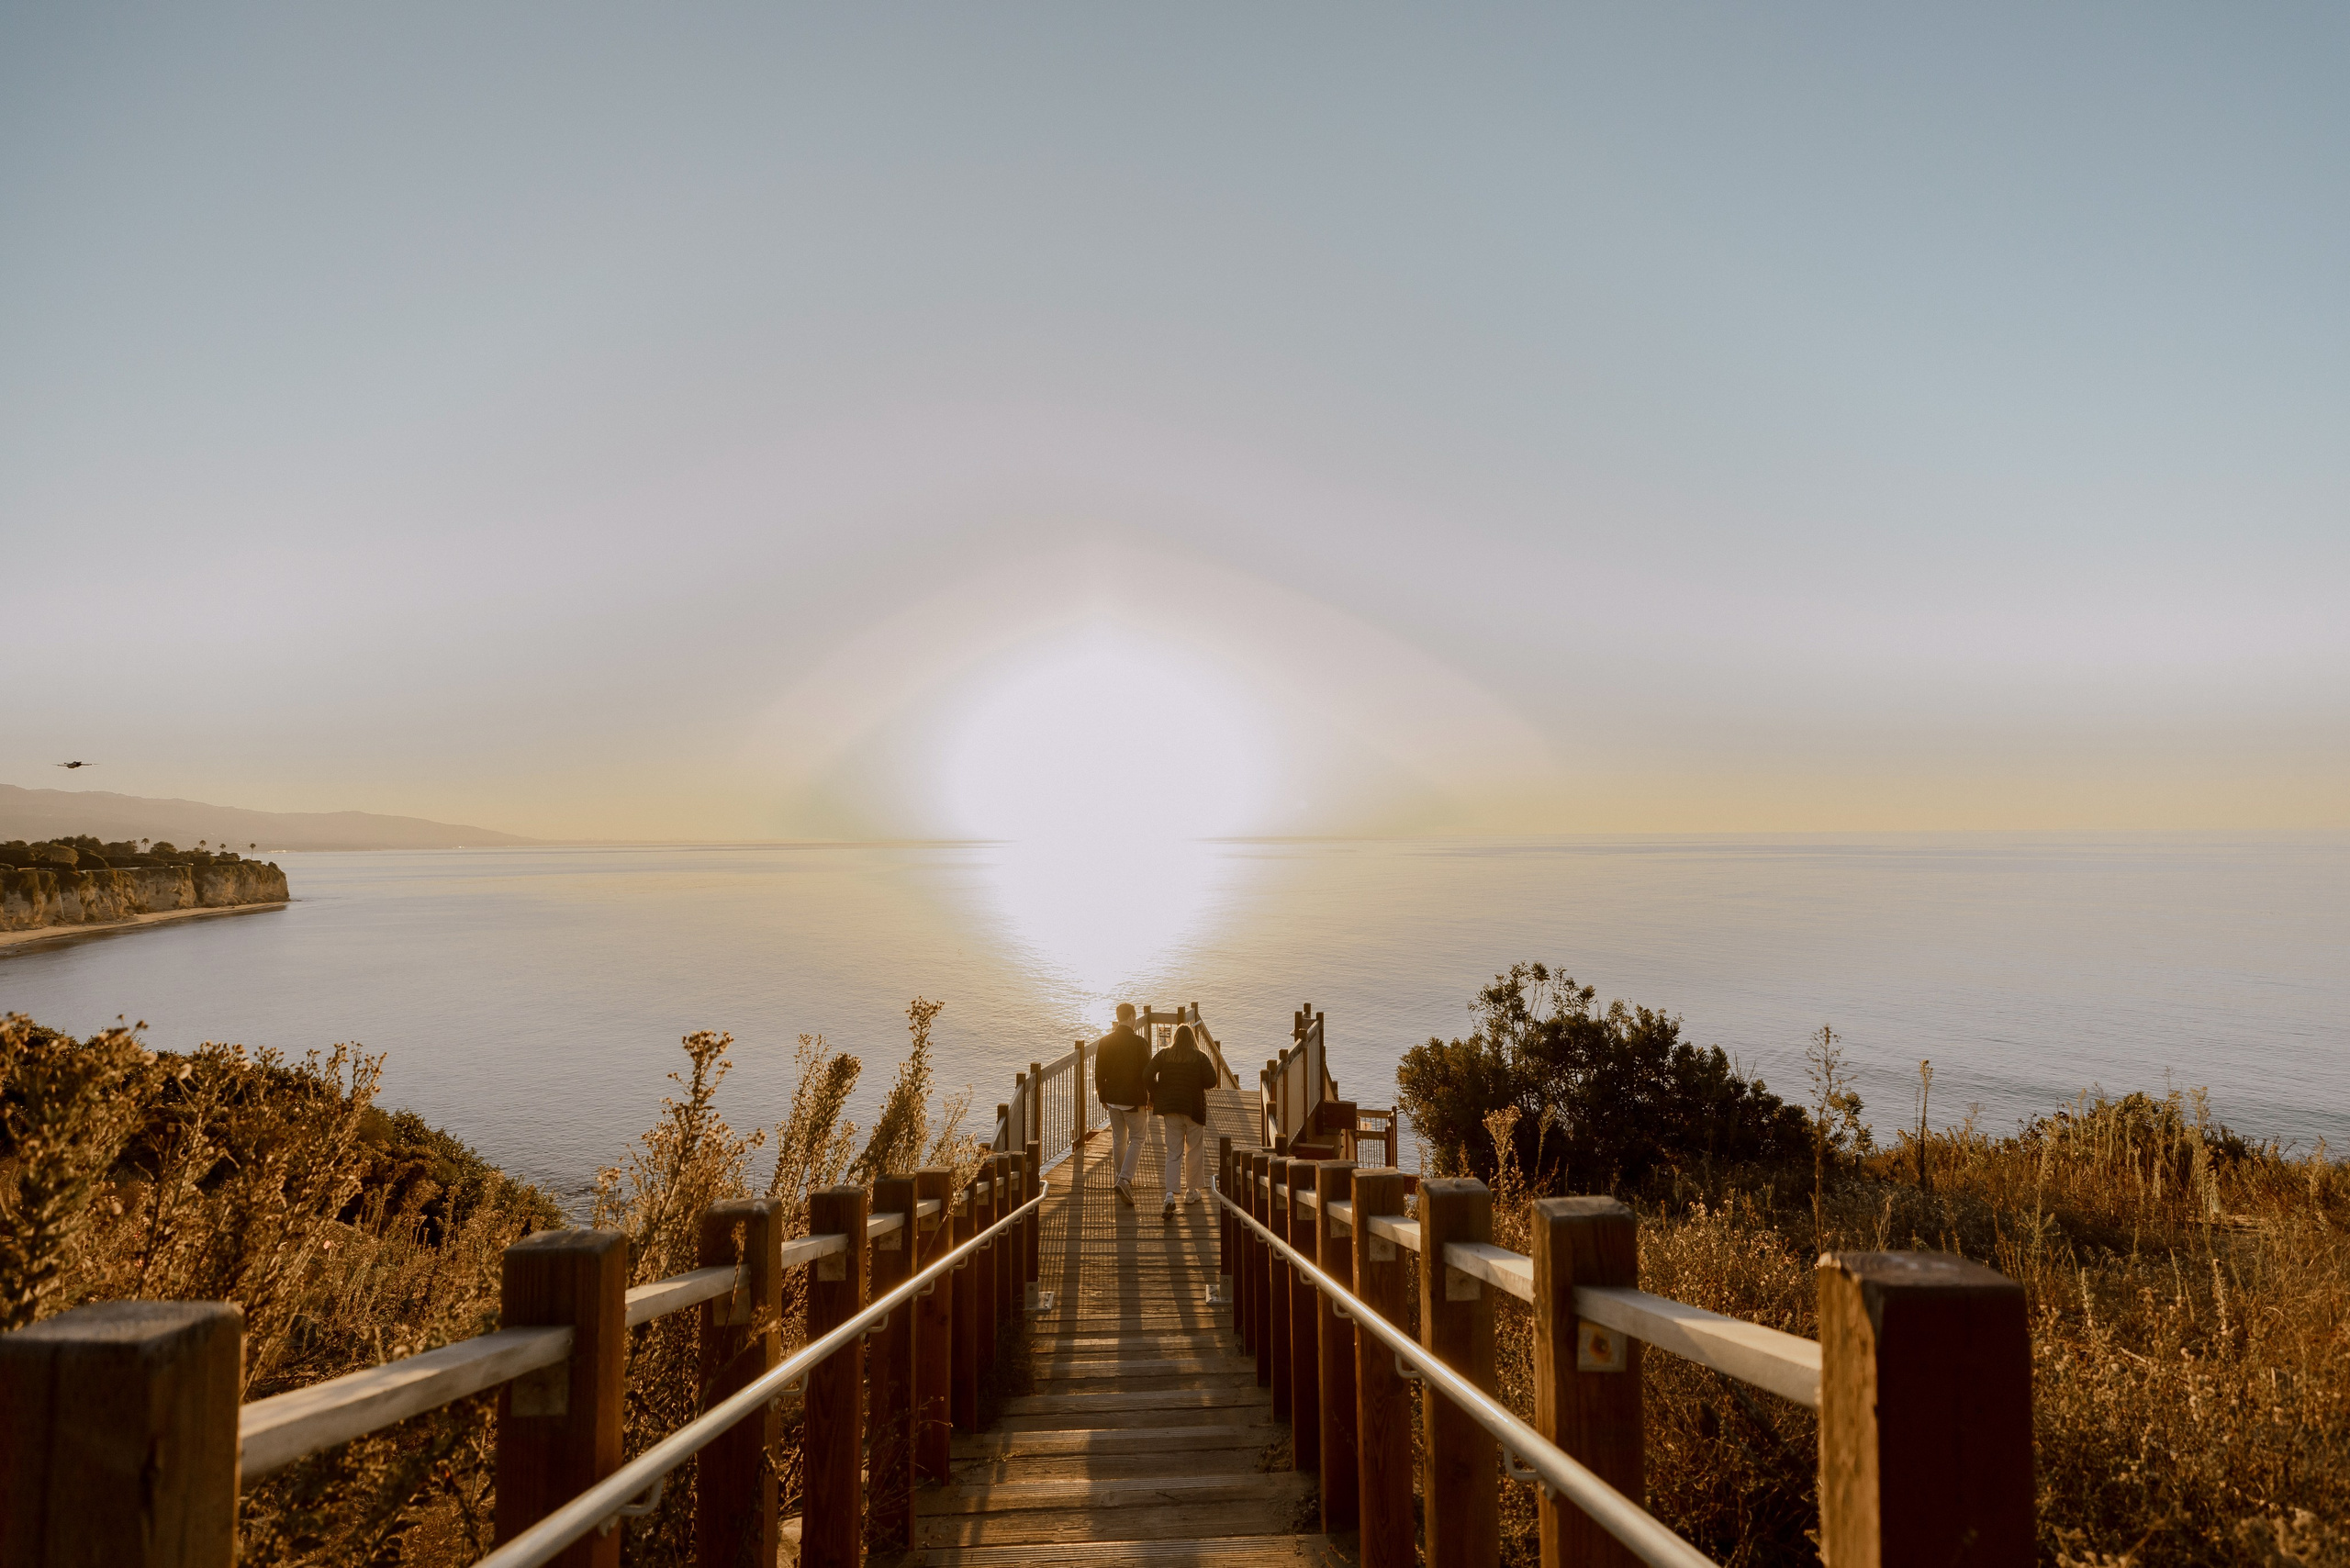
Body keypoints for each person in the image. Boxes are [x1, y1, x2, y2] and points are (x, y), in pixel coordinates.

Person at [1150, 1023, 1218, 1221]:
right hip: (1193, 1109)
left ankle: (1169, 1195)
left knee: (1173, 1153)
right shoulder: (1200, 1057)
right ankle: (1191, 1192)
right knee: (1194, 1150)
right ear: (1193, 1040)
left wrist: (1156, 1092)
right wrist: (1196, 1081)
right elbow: (1212, 1081)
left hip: (1171, 1110)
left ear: (1175, 1039)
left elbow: (1146, 1073)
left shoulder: (1164, 1055)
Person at [1091, 1002, 1152, 1207]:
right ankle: (1124, 1180)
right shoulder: (1139, 1043)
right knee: (1137, 1138)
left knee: (1119, 1139)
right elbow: (1147, 1073)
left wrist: (1102, 1097)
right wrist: (1151, 1097)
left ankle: (1120, 1177)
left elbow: (1099, 1072)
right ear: (1132, 1017)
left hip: (1112, 1098)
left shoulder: (1105, 1041)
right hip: (1133, 1100)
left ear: (1118, 1018)